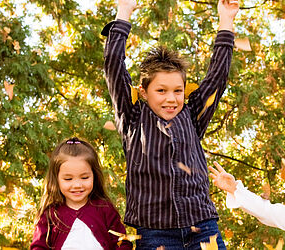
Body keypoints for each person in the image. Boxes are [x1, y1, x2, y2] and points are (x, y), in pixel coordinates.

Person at [101, 0, 238, 248]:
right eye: (161, 90)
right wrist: (124, 11)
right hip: (155, 234)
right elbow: (113, 65)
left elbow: (217, 77)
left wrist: (226, 21)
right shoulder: (133, 118)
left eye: (178, 90)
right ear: (143, 91)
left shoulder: (192, 113)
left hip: (202, 227)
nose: (171, 98)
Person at [30, 137, 132, 250]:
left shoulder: (105, 209)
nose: (77, 185)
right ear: (56, 179)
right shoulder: (50, 214)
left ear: (94, 176)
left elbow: (122, 241)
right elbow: (38, 247)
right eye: (68, 179)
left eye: (84, 177)